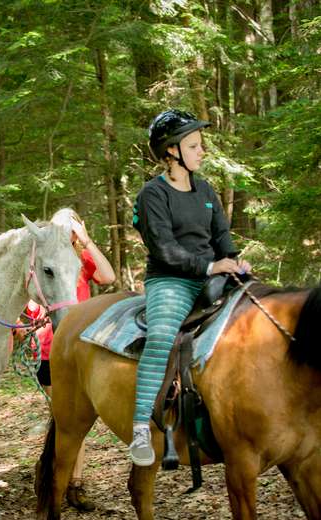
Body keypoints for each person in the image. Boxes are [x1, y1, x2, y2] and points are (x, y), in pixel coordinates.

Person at [129, 109, 251, 467]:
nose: (202, 152)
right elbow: (164, 249)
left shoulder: (206, 189)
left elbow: (222, 236)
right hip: (171, 279)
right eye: (194, 145)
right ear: (171, 151)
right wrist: (211, 265)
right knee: (162, 335)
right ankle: (140, 427)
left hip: (213, 273)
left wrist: (234, 261)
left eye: (201, 145)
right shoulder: (152, 194)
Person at [20, 212, 115, 511]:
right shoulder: (47, 261)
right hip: (52, 350)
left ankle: (73, 482)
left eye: (72, 227)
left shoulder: (81, 260)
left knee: (76, 421)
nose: (68, 233)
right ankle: (58, 476)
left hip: (82, 350)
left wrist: (87, 241)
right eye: (64, 227)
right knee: (65, 422)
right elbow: (32, 304)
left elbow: (108, 277)